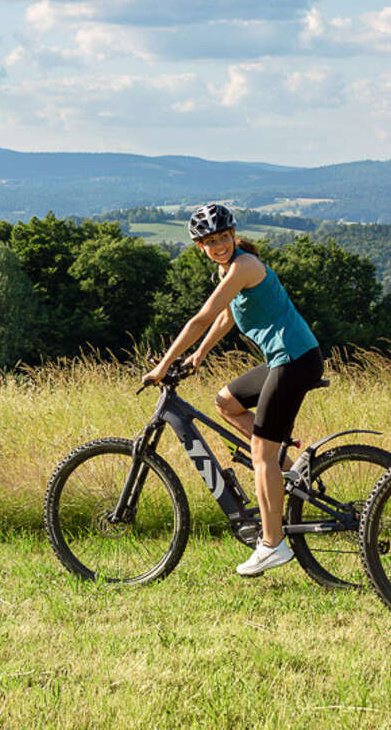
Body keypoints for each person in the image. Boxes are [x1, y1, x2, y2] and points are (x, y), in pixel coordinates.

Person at [142, 203, 322, 577]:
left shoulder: (244, 266)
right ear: (201, 247)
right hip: (283, 359)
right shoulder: (230, 270)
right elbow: (226, 316)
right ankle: (288, 470)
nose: (220, 244)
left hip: (295, 360)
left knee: (261, 452)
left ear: (233, 235)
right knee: (226, 401)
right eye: (211, 240)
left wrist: (162, 365)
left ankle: (272, 544)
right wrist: (199, 355)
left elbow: (203, 317)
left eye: (224, 237)